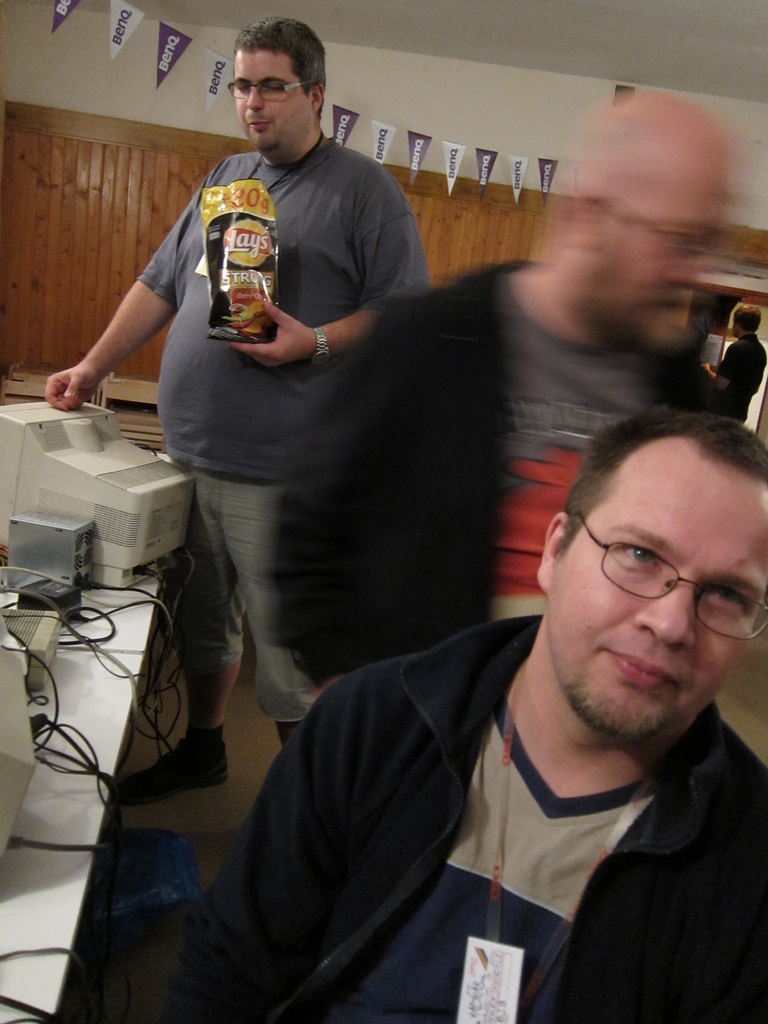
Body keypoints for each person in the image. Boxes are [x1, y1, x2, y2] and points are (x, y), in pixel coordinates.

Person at [161, 408, 768, 1024]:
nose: (670, 624)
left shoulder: (750, 866)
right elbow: (227, 973)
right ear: (555, 550)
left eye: (727, 593)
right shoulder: (373, 726)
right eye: (639, 553)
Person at [44, 18, 428, 801]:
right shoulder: (226, 178)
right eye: (242, 85)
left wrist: (314, 341)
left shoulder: (365, 191)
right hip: (188, 457)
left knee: (291, 660)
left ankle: (309, 811)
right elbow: (161, 282)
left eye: (271, 87)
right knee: (201, 622)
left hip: (285, 473)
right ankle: (203, 749)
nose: (252, 102)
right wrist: (92, 365)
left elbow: (405, 313)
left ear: (314, 94)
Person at [275, 91, 736, 685]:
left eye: (703, 245)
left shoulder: (677, 388)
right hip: (423, 713)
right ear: (590, 214)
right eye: (675, 241)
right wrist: (346, 695)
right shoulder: (425, 338)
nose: (689, 273)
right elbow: (309, 523)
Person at [706, 304, 766, 421]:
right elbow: (755, 389)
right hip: (740, 415)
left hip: (723, 413)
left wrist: (706, 370)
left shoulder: (736, 348)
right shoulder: (761, 352)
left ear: (738, 323)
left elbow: (721, 384)